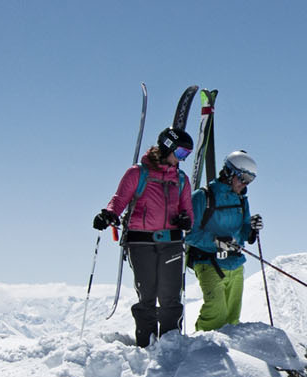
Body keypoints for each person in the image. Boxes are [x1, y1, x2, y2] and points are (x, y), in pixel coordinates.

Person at [95, 128, 195, 348]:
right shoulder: (137, 173)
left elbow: (188, 212)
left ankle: (171, 345)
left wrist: (186, 221)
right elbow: (119, 201)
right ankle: (147, 345)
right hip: (140, 242)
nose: (182, 159)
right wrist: (108, 214)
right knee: (147, 293)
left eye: (186, 155)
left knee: (170, 295)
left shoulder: (181, 179)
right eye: (180, 153)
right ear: (167, 146)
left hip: (171, 242)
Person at [185, 149, 261, 330]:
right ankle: (200, 350)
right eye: (242, 177)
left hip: (235, 264)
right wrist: (215, 242)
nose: (244, 184)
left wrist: (251, 229)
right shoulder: (203, 196)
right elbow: (189, 234)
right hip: (209, 261)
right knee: (216, 313)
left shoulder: (242, 200)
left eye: (249, 180)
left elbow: (242, 231)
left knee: (232, 318)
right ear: (228, 172)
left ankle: (233, 354)